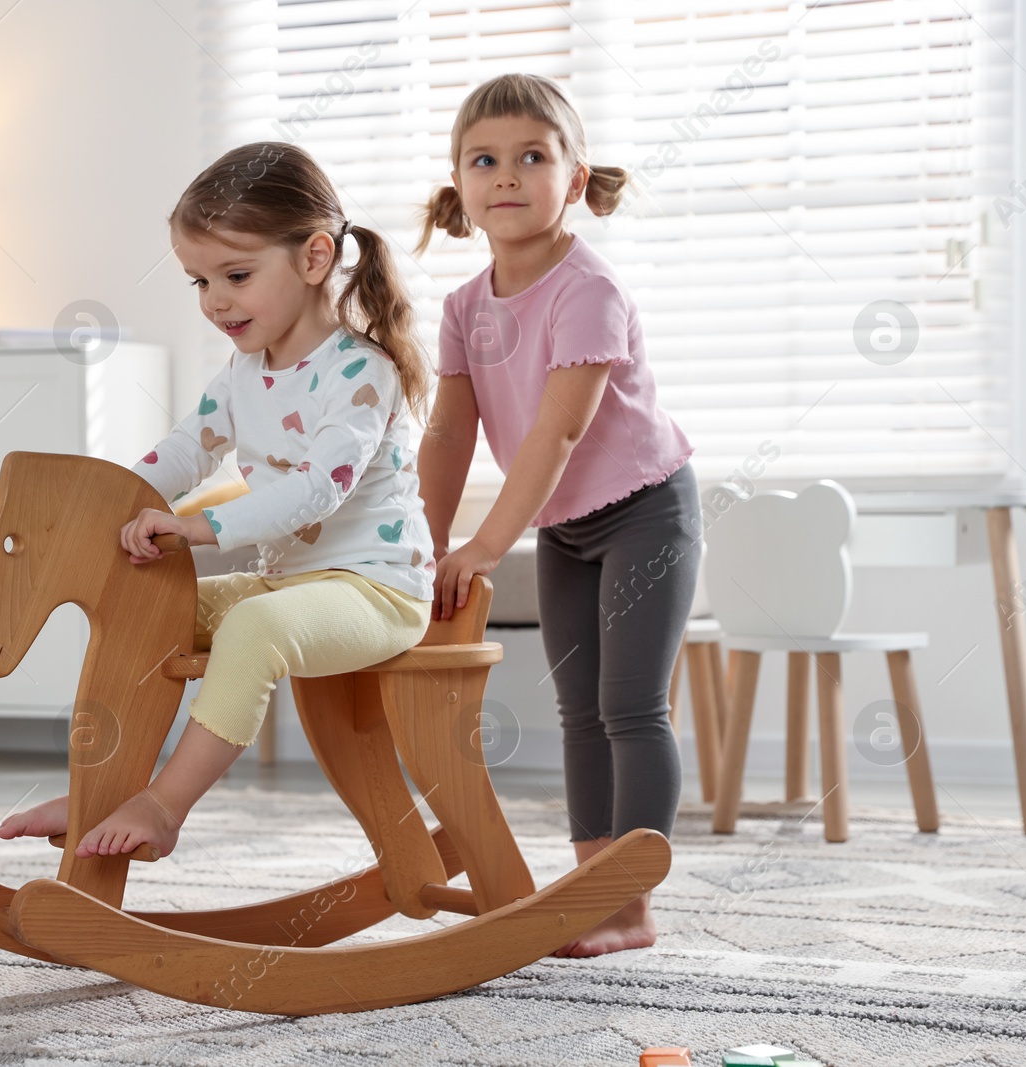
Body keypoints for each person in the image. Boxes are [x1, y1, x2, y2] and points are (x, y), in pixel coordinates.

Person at [0, 141, 436, 862]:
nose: (215, 300)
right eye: (199, 281)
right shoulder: (244, 370)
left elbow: (319, 486)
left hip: (377, 590)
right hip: (290, 583)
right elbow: (184, 449)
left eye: (235, 275)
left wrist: (198, 527)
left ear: (315, 258)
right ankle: (99, 789)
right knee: (143, 603)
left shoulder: (363, 370)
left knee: (255, 626)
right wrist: (105, 503)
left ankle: (166, 804)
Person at [416, 73, 701, 958]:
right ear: (460, 186)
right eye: (485, 160)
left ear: (573, 180)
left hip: (647, 511)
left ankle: (631, 907)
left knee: (630, 707)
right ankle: (593, 890)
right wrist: (423, 547)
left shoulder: (588, 287)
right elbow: (450, 430)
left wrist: (488, 542)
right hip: (567, 527)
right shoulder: (465, 307)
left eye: (532, 157)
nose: (506, 175)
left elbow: (559, 428)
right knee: (579, 710)